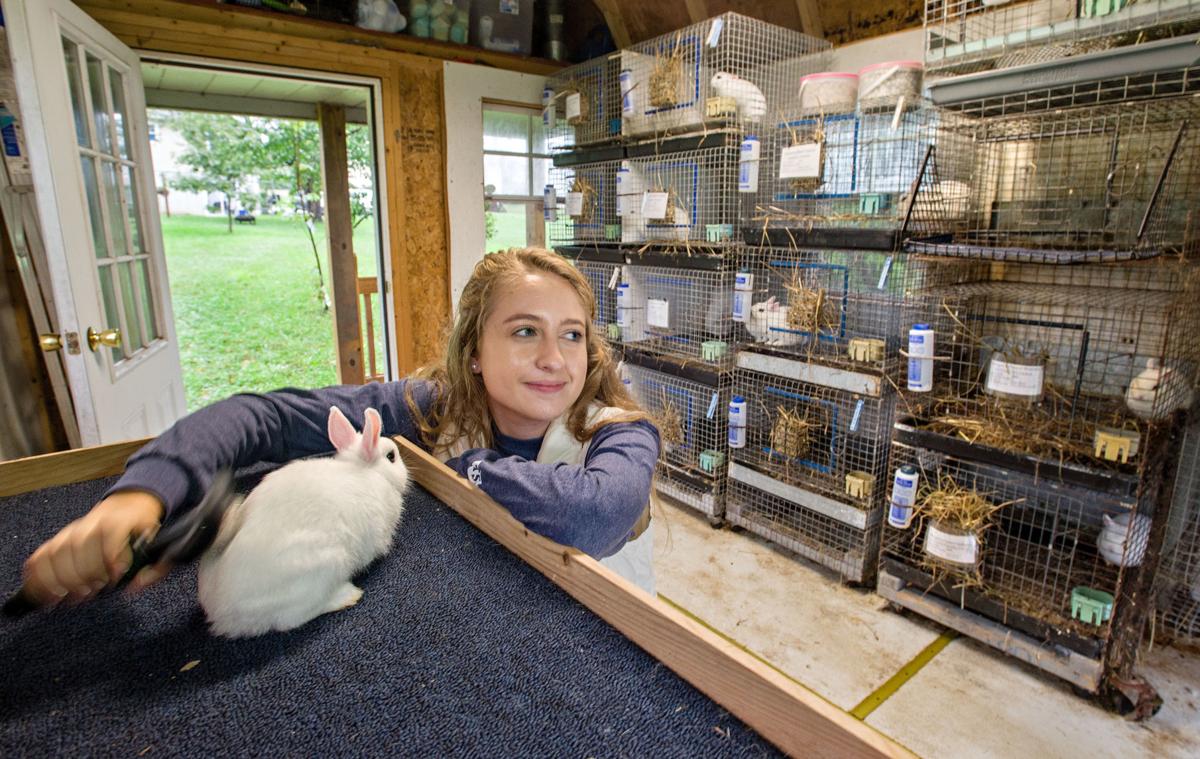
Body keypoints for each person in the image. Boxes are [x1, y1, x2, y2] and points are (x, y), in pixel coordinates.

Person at [19, 247, 661, 608]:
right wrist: (143, 494)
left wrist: (463, 470)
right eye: (525, 331)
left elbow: (592, 516)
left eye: (571, 335)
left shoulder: (621, 433)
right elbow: (261, 417)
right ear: (473, 350)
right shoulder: (430, 408)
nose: (554, 358)